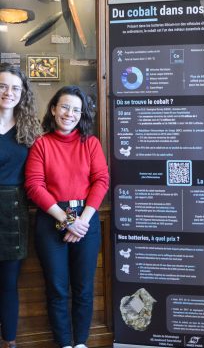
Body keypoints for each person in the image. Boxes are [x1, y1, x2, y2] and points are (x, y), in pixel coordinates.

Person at [25, 86, 109, 348]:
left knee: (84, 289)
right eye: (64, 107)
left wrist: (81, 220)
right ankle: (64, 343)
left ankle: (80, 342)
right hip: (52, 219)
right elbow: (34, 186)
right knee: (58, 289)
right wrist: (67, 220)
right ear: (53, 109)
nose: (69, 113)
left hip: (87, 218)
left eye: (75, 109)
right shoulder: (41, 143)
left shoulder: (91, 143)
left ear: (81, 114)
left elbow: (101, 180)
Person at [0, 63, 41, 348]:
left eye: (15, 88)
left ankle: (9, 342)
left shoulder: (30, 128)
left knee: (7, 285)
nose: (8, 93)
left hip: (13, 213)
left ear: (23, 93)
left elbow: (41, 174)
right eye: (2, 86)